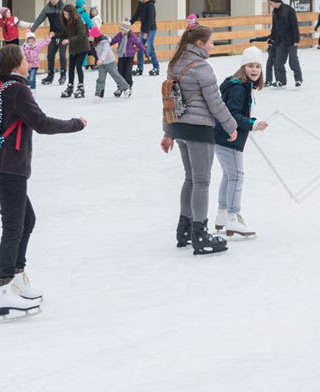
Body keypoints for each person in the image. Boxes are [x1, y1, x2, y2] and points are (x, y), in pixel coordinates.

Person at [0, 45, 87, 318]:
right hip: (10, 169)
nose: (30, 62)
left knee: (26, 220)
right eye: (25, 59)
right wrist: (76, 123)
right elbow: (41, 123)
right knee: (14, 227)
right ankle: (4, 288)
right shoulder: (17, 90)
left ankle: (17, 276)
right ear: (17, 64)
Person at [160, 25, 238, 255]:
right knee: (201, 182)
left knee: (191, 179)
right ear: (199, 44)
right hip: (199, 130)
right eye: (211, 42)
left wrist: (168, 132)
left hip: (180, 129)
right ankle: (200, 234)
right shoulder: (202, 68)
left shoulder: (176, 63)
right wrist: (231, 126)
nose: (213, 45)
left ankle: (184, 229)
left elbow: (168, 101)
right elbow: (216, 103)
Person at [213, 46, 268, 238]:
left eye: (258, 67)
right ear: (243, 67)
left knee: (229, 175)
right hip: (229, 136)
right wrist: (252, 125)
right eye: (250, 66)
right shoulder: (238, 88)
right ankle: (233, 216)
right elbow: (233, 114)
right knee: (236, 175)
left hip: (223, 135)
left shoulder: (242, 85)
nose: (254, 70)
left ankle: (222, 215)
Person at [29, 0, 68, 85]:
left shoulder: (64, 7)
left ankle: (63, 75)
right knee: (50, 55)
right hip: (53, 35)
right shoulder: (48, 8)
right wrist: (32, 31)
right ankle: (50, 75)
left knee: (62, 55)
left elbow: (70, 20)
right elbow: (40, 19)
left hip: (63, 35)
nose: (53, 1)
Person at [268, 0, 303, 88]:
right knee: (278, 61)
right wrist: (272, 38)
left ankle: (298, 79)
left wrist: (296, 39)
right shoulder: (275, 12)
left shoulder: (289, 10)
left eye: (271, 2)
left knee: (293, 60)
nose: (270, 4)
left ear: (275, 1)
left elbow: (295, 25)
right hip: (281, 40)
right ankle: (281, 80)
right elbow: (275, 27)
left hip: (291, 40)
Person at [91, 26, 131, 99]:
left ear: (96, 36)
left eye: (91, 36)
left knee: (116, 76)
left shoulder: (104, 42)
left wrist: (101, 59)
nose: (90, 37)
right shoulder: (95, 43)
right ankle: (99, 94)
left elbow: (105, 51)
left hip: (110, 62)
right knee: (101, 79)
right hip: (102, 64)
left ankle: (126, 88)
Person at [59, 1, 89, 98]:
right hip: (73, 48)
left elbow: (81, 35)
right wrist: (55, 35)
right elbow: (64, 34)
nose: (65, 16)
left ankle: (81, 87)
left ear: (71, 14)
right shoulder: (66, 22)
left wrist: (68, 40)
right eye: (64, 14)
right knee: (71, 67)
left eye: (67, 14)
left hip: (82, 47)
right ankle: (70, 86)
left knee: (78, 66)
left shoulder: (78, 20)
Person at [133, 0, 160, 76]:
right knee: (140, 49)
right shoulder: (141, 4)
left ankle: (156, 68)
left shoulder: (150, 5)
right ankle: (139, 68)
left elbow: (151, 19)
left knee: (150, 49)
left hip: (150, 29)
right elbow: (136, 15)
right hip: (143, 29)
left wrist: (146, 32)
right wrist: (128, 24)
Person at [111, 20, 145, 87]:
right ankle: (120, 87)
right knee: (120, 73)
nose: (120, 30)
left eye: (121, 29)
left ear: (126, 29)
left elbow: (138, 43)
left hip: (129, 57)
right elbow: (112, 41)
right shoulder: (119, 35)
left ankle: (129, 87)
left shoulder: (132, 36)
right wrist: (105, 43)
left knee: (127, 73)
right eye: (120, 28)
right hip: (121, 57)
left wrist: (144, 50)